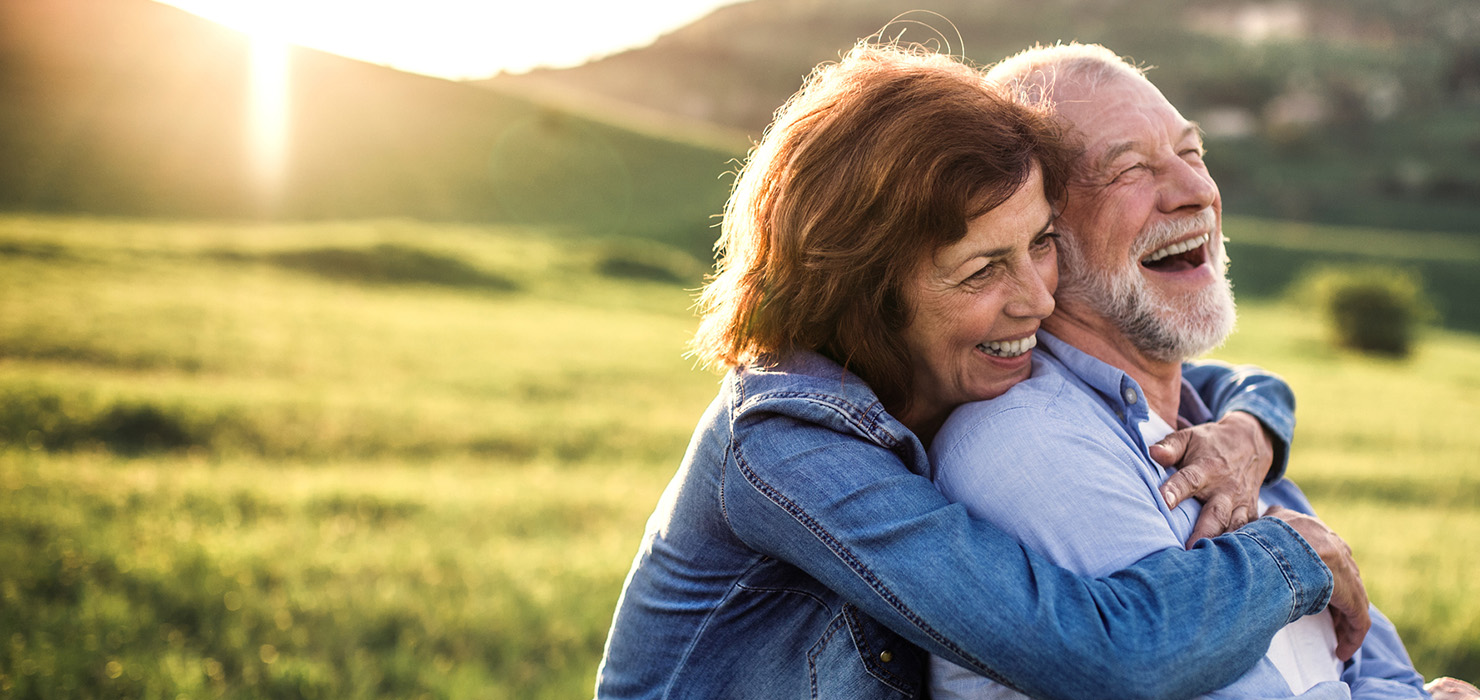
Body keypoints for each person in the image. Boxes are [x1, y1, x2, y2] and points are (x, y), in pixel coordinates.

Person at [594, 42, 1368, 700]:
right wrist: (1293, 554)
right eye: (981, 271)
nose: (1036, 298)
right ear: (866, 293)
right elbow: (1101, 654)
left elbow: (1222, 383)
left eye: (1039, 244)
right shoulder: (787, 448)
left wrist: (1247, 431)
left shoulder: (944, 376)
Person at [928, 43, 1441, 699]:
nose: (1197, 191)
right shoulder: (1030, 443)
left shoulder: (1227, 440)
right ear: (1038, 233)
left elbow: (1372, 654)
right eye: (1131, 169)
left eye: (1192, 153)